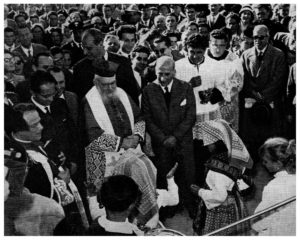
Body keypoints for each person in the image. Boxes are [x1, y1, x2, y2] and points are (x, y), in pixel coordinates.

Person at [142, 56, 196, 217]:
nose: (163, 78)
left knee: (187, 175)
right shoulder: (148, 90)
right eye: (159, 74)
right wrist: (163, 138)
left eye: (167, 74)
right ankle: (169, 207)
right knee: (164, 174)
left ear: (174, 72)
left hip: (183, 142)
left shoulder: (185, 88)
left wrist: (176, 137)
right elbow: (148, 118)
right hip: (162, 144)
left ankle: (191, 204)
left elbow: (190, 116)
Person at [191, 119, 253, 236]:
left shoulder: (217, 170)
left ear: (216, 143)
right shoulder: (234, 156)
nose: (205, 143)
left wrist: (199, 191)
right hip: (235, 202)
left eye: (207, 141)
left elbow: (219, 196)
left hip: (221, 208)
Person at [240, 24, 288, 161]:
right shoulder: (245, 54)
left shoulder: (278, 54)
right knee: (252, 135)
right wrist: (254, 94)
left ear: (268, 37)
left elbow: (278, 79)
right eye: (255, 37)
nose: (258, 40)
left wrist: (263, 96)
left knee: (270, 137)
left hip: (270, 101)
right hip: (252, 101)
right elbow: (244, 78)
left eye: (261, 37)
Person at [73, 28, 140, 105]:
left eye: (89, 48)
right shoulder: (79, 68)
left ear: (100, 43)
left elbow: (132, 95)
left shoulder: (123, 62)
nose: (85, 52)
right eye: (83, 47)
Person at [252, 138, 296, 236]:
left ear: (278, 164)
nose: (263, 164)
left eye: (265, 161)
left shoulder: (274, 186)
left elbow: (258, 222)